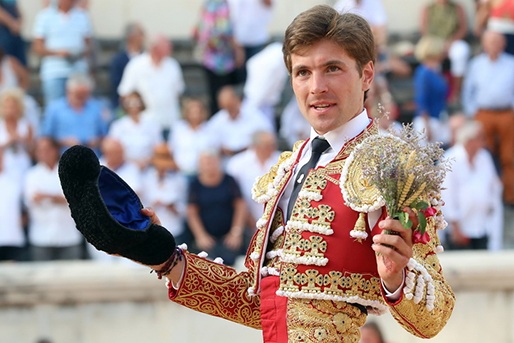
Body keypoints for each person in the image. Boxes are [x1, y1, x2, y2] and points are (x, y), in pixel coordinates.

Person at [58, 6, 455, 342]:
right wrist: (162, 256)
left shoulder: (394, 166)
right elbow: (256, 300)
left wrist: (396, 278)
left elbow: (436, 314)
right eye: (303, 72)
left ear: (367, 75)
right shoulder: (292, 163)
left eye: (332, 68)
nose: (316, 87)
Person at [461, 30, 514, 206]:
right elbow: (468, 90)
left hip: (507, 114)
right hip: (483, 114)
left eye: (497, 41)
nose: (493, 45)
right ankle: (487, 197)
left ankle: (509, 196)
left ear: (503, 44)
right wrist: (473, 112)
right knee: (483, 154)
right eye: (490, 42)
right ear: (484, 44)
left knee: (510, 155)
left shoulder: (511, 63)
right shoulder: (476, 64)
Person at [441, 119, 503, 251]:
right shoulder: (450, 158)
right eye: (481, 138)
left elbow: (493, 187)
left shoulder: (484, 157)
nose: (484, 141)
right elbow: (446, 195)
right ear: (469, 140)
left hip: (481, 227)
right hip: (458, 230)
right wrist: (455, 227)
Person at [24, 137, 83, 261]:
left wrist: (46, 196)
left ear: (55, 150)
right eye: (39, 150)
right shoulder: (31, 174)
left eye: (47, 149)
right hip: (41, 238)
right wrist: (58, 198)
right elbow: (32, 200)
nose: (43, 153)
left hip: (68, 237)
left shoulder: (69, 172)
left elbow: (74, 200)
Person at [117, 33, 185, 140]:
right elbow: (125, 93)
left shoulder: (173, 65)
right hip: (145, 126)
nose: (170, 48)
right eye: (166, 45)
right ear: (155, 47)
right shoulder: (136, 65)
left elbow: (179, 92)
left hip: (170, 122)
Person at [186, 149, 247, 266]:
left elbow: (240, 206)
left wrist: (236, 232)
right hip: (207, 237)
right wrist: (201, 235)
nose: (209, 166)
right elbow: (192, 212)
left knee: (231, 262)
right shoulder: (195, 184)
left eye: (211, 162)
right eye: (205, 163)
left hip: (229, 236)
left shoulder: (229, 180)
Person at [32, 0, 93, 105]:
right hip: (54, 71)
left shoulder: (82, 16)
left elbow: (89, 45)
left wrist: (77, 53)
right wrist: (59, 53)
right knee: (55, 107)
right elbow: (37, 47)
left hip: (77, 70)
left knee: (79, 107)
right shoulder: (44, 16)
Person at [192, 0, 244, 115]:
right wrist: (238, 50)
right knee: (223, 95)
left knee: (215, 96)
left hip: (210, 58)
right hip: (221, 60)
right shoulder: (219, 4)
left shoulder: (208, 4)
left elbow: (198, 29)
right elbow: (224, 29)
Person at [40, 73, 110, 156]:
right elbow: (46, 138)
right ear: (68, 92)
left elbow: (105, 136)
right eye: (78, 95)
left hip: (92, 158)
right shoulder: (54, 109)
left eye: (84, 95)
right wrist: (63, 142)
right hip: (63, 158)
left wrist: (95, 141)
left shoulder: (97, 108)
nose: (81, 98)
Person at [420, 0, 471, 104]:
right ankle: (437, 93)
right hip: (434, 42)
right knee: (431, 55)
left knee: (461, 52)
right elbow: (424, 30)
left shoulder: (457, 8)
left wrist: (450, 42)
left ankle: (456, 92)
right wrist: (438, 44)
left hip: (453, 41)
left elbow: (463, 29)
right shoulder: (428, 9)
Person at [107, 91, 162, 170]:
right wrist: (132, 163)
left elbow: (158, 148)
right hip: (124, 168)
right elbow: (112, 149)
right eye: (130, 102)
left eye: (136, 102)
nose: (133, 106)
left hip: (148, 168)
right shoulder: (118, 126)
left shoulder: (152, 125)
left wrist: (147, 162)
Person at [412, 35, 450, 145]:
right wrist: (426, 126)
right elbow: (421, 99)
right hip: (427, 121)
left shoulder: (436, 70)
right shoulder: (423, 72)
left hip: (439, 118)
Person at [227, 0, 274, 83]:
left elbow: (268, 3)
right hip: (234, 40)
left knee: (256, 79)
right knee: (237, 80)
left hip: (257, 39)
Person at [168, 97, 213, 177]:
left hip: (202, 175)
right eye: (192, 110)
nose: (195, 113)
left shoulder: (209, 129)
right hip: (180, 173)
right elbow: (170, 149)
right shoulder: (178, 128)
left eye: (198, 110)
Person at [109, 22, 145, 110]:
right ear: (131, 37)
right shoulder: (118, 60)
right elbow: (116, 83)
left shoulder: (146, 58)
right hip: (124, 104)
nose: (142, 38)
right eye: (140, 34)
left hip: (145, 103)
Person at [0, 0, 26, 66]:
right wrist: (12, 24)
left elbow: (18, 10)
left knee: (21, 62)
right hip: (4, 35)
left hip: (16, 35)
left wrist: (19, 23)